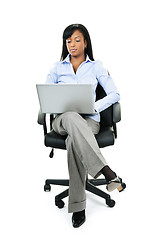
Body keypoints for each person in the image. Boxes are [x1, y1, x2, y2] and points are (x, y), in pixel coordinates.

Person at [46, 24, 125, 228]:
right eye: (68, 41)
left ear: (86, 42)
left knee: (75, 141)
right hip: (63, 120)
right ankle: (107, 172)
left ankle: (78, 206)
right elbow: (45, 98)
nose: (72, 44)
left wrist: (95, 106)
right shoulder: (56, 68)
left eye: (77, 40)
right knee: (71, 116)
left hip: (90, 120)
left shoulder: (96, 66)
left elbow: (115, 94)